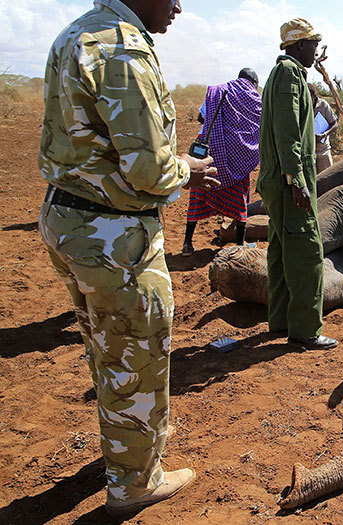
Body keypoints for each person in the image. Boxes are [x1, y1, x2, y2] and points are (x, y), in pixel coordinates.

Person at [37, 0, 220, 516]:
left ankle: (122, 453)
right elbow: (150, 172)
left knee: (107, 347)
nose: (179, 6)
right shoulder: (123, 46)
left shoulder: (75, 34)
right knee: (136, 354)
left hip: (68, 219)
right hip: (113, 234)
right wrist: (187, 168)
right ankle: (135, 483)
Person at [256, 18, 338, 350]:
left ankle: (280, 320)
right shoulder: (289, 74)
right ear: (300, 45)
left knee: (279, 250)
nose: (316, 52)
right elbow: (288, 132)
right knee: (306, 253)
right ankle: (305, 329)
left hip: (275, 181)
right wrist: (297, 180)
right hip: (289, 182)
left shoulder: (279, 73)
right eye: (313, 46)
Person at [183, 68, 262, 255]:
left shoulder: (219, 92)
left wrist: (219, 123)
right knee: (240, 199)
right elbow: (260, 127)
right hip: (238, 159)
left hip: (211, 158)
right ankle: (240, 244)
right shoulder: (256, 101)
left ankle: (187, 244)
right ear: (254, 84)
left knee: (197, 195)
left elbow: (201, 117)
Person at [308, 84, 339, 173]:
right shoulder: (302, 107)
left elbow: (334, 124)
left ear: (314, 96)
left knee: (328, 178)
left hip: (323, 149)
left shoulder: (323, 105)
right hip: (309, 151)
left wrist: (324, 135)